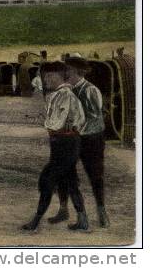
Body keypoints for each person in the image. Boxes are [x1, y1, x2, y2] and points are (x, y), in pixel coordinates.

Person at [21, 61, 89, 232]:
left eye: (50, 76)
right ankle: (80, 218)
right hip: (63, 143)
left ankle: (35, 221)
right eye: (45, 77)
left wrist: (44, 122)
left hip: (65, 143)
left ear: (60, 76)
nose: (46, 80)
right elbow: (76, 120)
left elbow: (56, 123)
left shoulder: (64, 95)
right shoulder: (60, 95)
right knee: (69, 181)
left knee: (47, 179)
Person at [49, 55, 110, 228]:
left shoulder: (90, 90)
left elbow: (95, 115)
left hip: (91, 139)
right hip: (72, 138)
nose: (65, 72)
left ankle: (101, 212)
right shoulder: (66, 90)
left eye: (67, 70)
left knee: (95, 175)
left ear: (77, 71)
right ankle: (66, 210)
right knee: (66, 174)